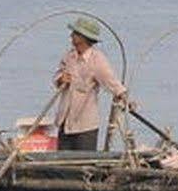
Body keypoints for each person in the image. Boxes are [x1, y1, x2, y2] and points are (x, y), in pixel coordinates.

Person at [54, 17, 130, 152]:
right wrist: (61, 79)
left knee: (84, 164)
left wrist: (125, 98)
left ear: (84, 38)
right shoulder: (69, 56)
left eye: (75, 34)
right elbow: (57, 77)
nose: (71, 36)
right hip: (65, 121)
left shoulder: (97, 60)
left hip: (85, 125)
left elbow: (111, 82)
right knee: (62, 162)